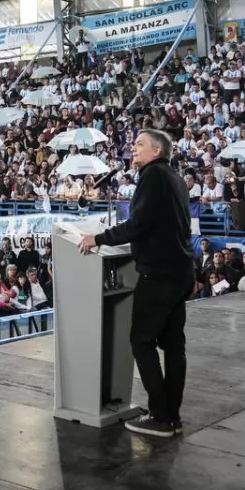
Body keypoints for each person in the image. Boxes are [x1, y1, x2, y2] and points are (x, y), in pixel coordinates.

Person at [80, 128, 193, 438]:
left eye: (140, 144)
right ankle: (172, 416)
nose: (133, 149)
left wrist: (98, 238)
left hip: (158, 275)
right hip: (180, 271)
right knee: (173, 346)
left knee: (142, 342)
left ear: (156, 151)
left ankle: (159, 416)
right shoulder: (173, 177)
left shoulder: (153, 176)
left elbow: (138, 224)